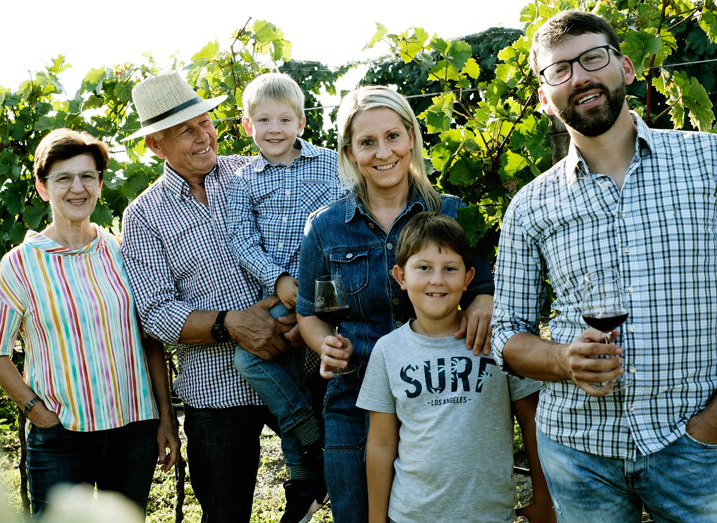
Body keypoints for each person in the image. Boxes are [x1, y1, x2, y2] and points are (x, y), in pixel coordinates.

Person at [492, 10, 717, 523]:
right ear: (545, 96)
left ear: (627, 67)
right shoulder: (530, 205)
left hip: (700, 447)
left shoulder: (710, 164)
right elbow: (506, 333)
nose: (580, 77)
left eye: (593, 58)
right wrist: (562, 361)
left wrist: (712, 426)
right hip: (578, 450)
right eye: (560, 70)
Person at [296, 85, 495, 523]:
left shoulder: (453, 212)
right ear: (349, 152)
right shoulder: (327, 227)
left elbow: (486, 282)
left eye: (392, 137)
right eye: (367, 142)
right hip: (355, 400)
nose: (382, 152)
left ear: (411, 137)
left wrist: (484, 301)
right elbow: (308, 311)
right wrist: (324, 344)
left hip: (438, 399)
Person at [119, 71, 299, 523]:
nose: (204, 136)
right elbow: (156, 313)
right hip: (216, 393)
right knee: (224, 513)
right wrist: (230, 324)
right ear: (155, 146)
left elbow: (306, 240)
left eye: (205, 122)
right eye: (186, 130)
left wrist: (302, 313)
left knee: (335, 478)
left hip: (298, 363)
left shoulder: (255, 169)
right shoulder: (143, 216)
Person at [0, 128, 180, 517]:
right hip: (61, 437)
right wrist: (39, 413)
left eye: (88, 176)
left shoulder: (120, 251)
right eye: (63, 178)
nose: (78, 187)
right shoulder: (19, 264)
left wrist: (165, 416)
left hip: (133, 431)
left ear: (100, 185)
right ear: (43, 188)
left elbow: (149, 338)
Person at [358, 211, 553, 523]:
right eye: (424, 268)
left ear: (467, 278)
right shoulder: (388, 350)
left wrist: (545, 499)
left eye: (449, 269)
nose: (437, 279)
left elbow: (532, 420)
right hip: (411, 515)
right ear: (401, 277)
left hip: (488, 515)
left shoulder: (497, 341)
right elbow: (381, 443)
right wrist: (377, 519)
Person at [226, 72, 344, 521]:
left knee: (267, 366)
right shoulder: (243, 179)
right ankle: (307, 469)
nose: (273, 129)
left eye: (284, 119)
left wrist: (312, 288)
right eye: (263, 120)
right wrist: (277, 281)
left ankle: (311, 456)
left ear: (301, 123)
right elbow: (241, 239)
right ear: (246, 125)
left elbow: (342, 223)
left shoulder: (330, 164)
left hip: (325, 286)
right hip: (279, 291)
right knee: (265, 365)